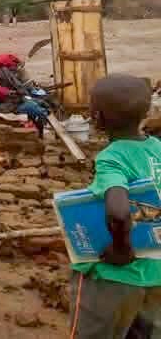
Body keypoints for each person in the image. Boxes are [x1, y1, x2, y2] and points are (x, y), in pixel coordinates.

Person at [69, 74, 161, 338]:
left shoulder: (112, 157)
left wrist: (121, 248)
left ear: (97, 117)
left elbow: (118, 211)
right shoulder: (158, 149)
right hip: (155, 273)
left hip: (116, 277)